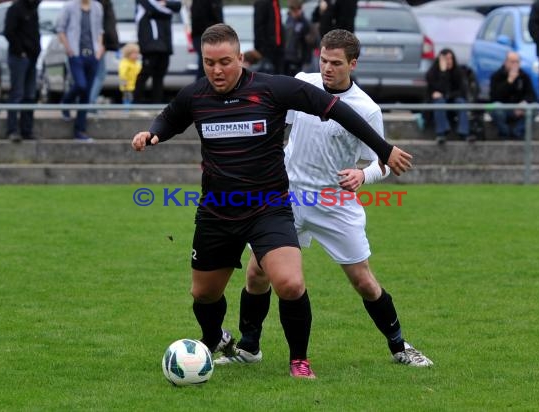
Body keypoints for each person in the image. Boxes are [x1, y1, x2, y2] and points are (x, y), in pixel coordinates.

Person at [131, 23, 413, 379]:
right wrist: (152, 134)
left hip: (270, 208)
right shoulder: (196, 95)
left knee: (292, 284)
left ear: (240, 58)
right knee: (203, 293)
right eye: (209, 63)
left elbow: (337, 109)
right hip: (218, 212)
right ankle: (217, 339)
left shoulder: (273, 89)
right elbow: (171, 117)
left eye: (224, 62)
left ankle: (300, 359)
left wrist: (384, 151)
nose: (216, 70)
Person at [214, 29, 433, 369]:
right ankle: (248, 348)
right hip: (287, 198)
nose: (327, 68)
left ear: (353, 64)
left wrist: (364, 175)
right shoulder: (304, 83)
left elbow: (382, 163)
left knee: (364, 281)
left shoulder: (367, 109)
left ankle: (400, 345)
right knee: (258, 272)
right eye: (323, 61)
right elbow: (276, 123)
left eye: (336, 63)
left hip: (336, 204)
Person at [57, 0, 104, 141]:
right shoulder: (69, 7)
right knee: (80, 84)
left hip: (93, 55)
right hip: (76, 54)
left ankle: (80, 130)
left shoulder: (97, 7)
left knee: (87, 94)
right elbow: (60, 29)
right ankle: (65, 102)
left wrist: (99, 50)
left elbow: (99, 30)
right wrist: (68, 48)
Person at [4, 0, 41, 142]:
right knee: (17, 93)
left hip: (32, 58)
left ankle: (27, 130)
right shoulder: (15, 9)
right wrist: (20, 52)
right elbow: (9, 32)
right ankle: (12, 130)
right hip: (19, 58)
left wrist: (36, 52)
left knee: (30, 95)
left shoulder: (34, 9)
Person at [133, 0, 181, 104]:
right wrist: (166, 7)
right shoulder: (144, 2)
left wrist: (166, 4)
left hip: (165, 46)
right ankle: (135, 103)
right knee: (144, 75)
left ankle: (157, 104)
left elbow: (178, 5)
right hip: (150, 46)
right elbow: (157, 10)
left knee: (159, 76)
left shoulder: (165, 3)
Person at [426, 48, 474, 144]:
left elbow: (462, 91)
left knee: (461, 102)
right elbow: (437, 89)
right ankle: (441, 134)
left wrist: (446, 95)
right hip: (439, 103)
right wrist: (443, 72)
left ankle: (464, 133)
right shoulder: (432, 73)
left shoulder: (458, 72)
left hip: (453, 100)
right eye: (446, 59)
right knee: (439, 102)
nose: (449, 61)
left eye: (450, 58)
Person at [489, 51, 536, 140]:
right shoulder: (496, 76)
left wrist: (524, 102)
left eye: (517, 62)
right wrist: (509, 81)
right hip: (503, 109)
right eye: (512, 62)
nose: (515, 64)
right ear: (505, 62)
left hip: (519, 108)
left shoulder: (524, 76)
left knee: (535, 107)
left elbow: (532, 95)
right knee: (497, 109)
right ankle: (505, 133)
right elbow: (495, 97)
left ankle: (517, 131)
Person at [88, 0, 119, 112]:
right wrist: (104, 44)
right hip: (97, 45)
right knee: (99, 74)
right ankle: (90, 103)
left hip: (90, 44)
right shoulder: (101, 4)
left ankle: (89, 103)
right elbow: (107, 25)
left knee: (94, 75)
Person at [191, 0, 223, 80]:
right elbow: (198, 19)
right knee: (206, 65)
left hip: (212, 36)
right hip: (205, 36)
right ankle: (200, 90)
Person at [282, 0, 314, 77]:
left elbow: (311, 41)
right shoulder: (288, 20)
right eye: (293, 10)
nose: (295, 12)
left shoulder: (305, 23)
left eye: (297, 9)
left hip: (299, 58)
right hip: (287, 56)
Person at [253, 0, 284, 74]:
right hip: (267, 50)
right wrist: (262, 49)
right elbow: (258, 27)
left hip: (279, 49)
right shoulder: (262, 3)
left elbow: (278, 26)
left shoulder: (275, 2)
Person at [118, 43, 142, 108]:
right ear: (128, 54)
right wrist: (124, 83)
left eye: (137, 53)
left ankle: (131, 110)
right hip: (127, 86)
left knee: (133, 99)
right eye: (134, 53)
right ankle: (126, 111)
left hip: (134, 86)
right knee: (127, 99)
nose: (136, 55)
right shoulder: (125, 63)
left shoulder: (136, 63)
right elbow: (122, 74)